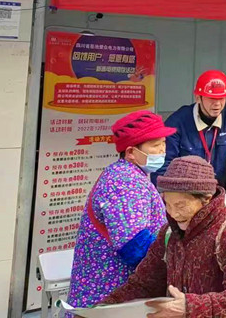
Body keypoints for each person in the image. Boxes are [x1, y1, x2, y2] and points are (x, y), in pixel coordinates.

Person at [102, 156, 226, 318]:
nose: (174, 213)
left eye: (180, 205)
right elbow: (143, 284)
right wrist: (103, 309)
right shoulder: (168, 232)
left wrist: (190, 307)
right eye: (168, 204)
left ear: (206, 199)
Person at [68, 111, 175, 310]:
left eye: (163, 143)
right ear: (131, 152)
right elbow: (134, 246)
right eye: (155, 146)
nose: (162, 150)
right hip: (111, 292)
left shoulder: (132, 173)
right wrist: (178, 255)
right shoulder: (124, 182)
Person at [156, 70, 226, 186]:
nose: (217, 104)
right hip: (186, 190)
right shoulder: (177, 123)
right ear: (198, 98)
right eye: (212, 98)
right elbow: (164, 167)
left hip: (219, 188)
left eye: (222, 98)